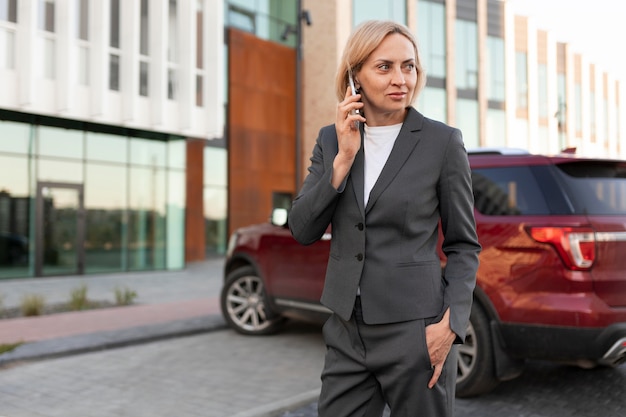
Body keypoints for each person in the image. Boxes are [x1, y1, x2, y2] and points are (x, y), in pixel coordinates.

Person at [288, 20, 481, 417]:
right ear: (354, 75)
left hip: (417, 331)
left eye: (408, 66)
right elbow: (302, 229)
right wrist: (342, 160)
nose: (401, 79)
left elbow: (463, 245)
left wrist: (451, 325)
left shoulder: (442, 142)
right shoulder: (330, 140)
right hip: (346, 332)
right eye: (384, 67)